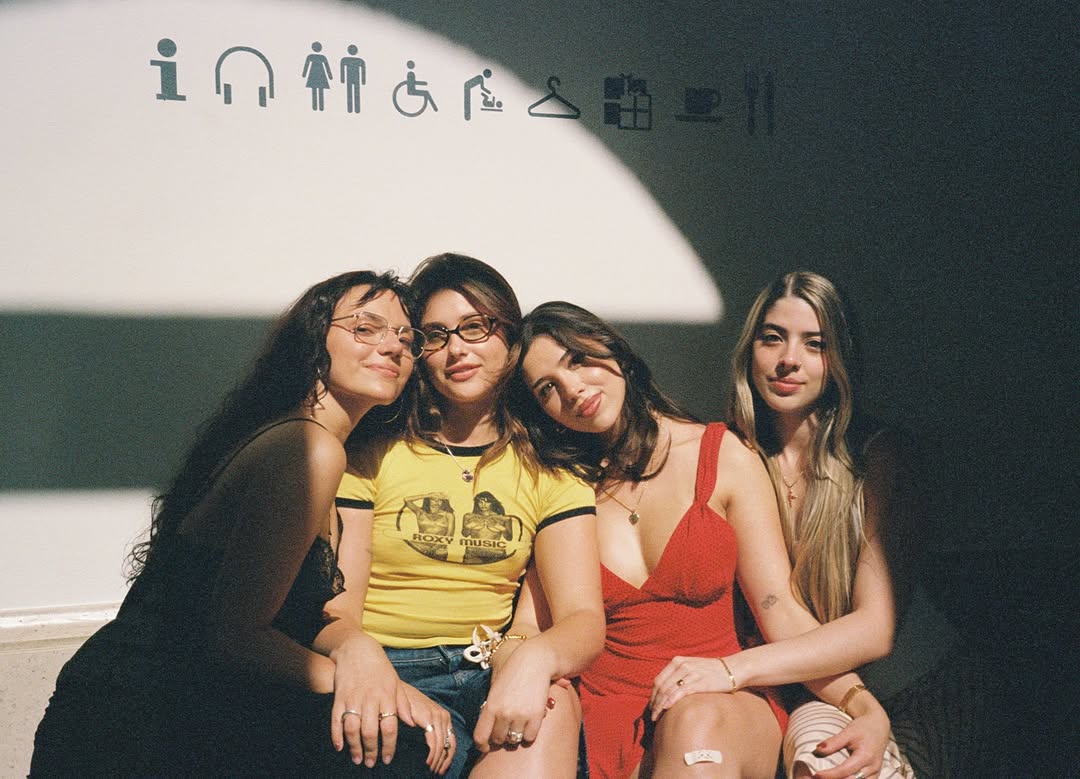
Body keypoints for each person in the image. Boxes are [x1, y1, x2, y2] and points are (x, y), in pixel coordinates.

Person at [30, 270, 423, 776]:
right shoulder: (308, 447)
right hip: (136, 716)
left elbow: (290, 619)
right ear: (312, 340)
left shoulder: (313, 443)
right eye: (365, 328)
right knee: (396, 747)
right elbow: (234, 636)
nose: (392, 346)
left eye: (406, 338)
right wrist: (373, 691)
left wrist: (362, 657)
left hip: (163, 698)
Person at [518, 301, 901, 779]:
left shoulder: (722, 455)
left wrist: (861, 703)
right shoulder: (561, 489)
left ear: (612, 348)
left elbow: (780, 611)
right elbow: (530, 624)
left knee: (694, 724)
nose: (572, 389)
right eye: (547, 388)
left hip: (720, 703)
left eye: (577, 359)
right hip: (604, 714)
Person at [330, 253, 604, 777]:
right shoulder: (373, 452)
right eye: (436, 335)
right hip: (387, 665)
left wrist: (533, 660)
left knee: (553, 705)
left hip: (491, 666)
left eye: (475, 327)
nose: (457, 348)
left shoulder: (551, 468)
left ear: (509, 336)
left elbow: (583, 620)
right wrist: (372, 669)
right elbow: (340, 611)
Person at [728, 271, 987, 778]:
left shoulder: (879, 457)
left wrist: (732, 671)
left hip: (921, 685)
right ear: (750, 350)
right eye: (773, 338)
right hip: (823, 689)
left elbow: (876, 629)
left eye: (815, 344)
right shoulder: (734, 454)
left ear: (840, 358)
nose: (788, 359)